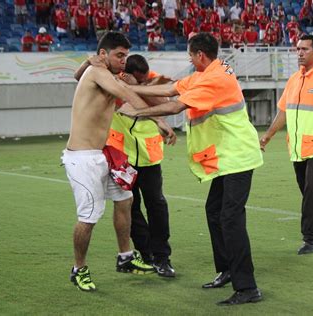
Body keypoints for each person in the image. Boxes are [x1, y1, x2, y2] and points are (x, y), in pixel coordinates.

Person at [118, 32, 264, 306]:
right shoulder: (208, 71)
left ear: (200, 55)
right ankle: (227, 270)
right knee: (215, 211)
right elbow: (171, 89)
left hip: (238, 157)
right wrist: (132, 90)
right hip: (226, 157)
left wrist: (136, 111)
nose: (188, 58)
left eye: (190, 55)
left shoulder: (213, 79)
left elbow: (175, 105)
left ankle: (248, 287)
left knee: (231, 219)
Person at [62, 32, 160, 292]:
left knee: (124, 199)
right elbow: (125, 93)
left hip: (102, 153)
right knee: (89, 217)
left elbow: (77, 76)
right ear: (103, 54)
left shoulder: (96, 70)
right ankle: (78, 269)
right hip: (82, 159)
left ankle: (125, 257)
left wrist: (85, 62)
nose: (124, 61)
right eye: (119, 55)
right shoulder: (98, 72)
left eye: (126, 55)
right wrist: (160, 119)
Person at [260, 34, 313, 255]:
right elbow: (284, 112)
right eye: (297, 49)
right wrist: (268, 136)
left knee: (311, 190)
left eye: (305, 49)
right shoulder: (293, 80)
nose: (299, 53)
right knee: (308, 189)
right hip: (298, 148)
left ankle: (311, 239)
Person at [107, 54, 177, 277]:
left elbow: (165, 105)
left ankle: (162, 257)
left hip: (150, 156)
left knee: (156, 205)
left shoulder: (150, 78)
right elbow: (121, 103)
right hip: (123, 157)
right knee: (130, 207)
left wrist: (138, 86)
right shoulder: (112, 80)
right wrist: (130, 88)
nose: (147, 79)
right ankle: (146, 255)